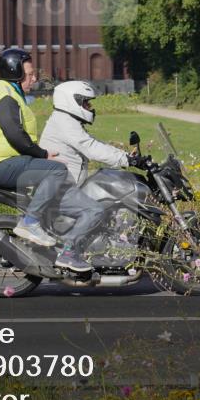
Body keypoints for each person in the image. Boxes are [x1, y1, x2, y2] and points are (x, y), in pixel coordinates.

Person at [39, 81, 138, 272]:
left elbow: (91, 143)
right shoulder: (64, 122)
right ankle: (68, 253)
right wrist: (126, 160)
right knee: (95, 210)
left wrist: (125, 155)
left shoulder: (66, 121)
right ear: (71, 101)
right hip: (61, 187)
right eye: (86, 103)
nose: (90, 107)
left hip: (66, 183)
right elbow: (90, 148)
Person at [0, 48, 67, 248]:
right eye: (29, 75)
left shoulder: (10, 93)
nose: (34, 78)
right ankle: (30, 223)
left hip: (7, 163)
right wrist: (43, 155)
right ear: (14, 75)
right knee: (58, 171)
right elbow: (16, 136)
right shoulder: (5, 97)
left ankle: (43, 234)